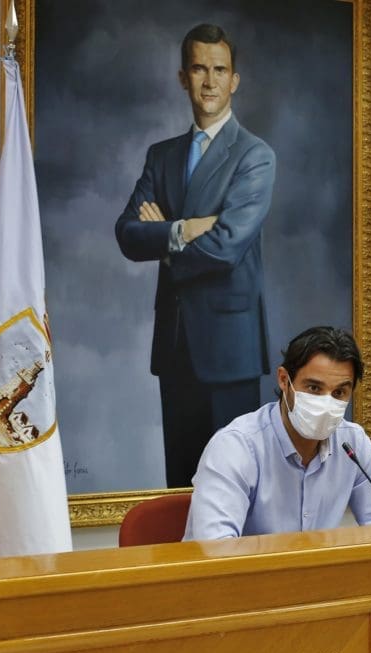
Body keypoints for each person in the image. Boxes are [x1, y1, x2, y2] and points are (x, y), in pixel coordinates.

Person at [115, 23, 275, 489]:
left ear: (234, 80)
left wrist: (164, 243)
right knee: (180, 494)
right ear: (183, 78)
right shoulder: (161, 156)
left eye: (219, 70)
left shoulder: (255, 156)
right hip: (175, 346)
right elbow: (127, 234)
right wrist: (184, 228)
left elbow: (226, 248)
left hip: (231, 351)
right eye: (199, 69)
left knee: (232, 491)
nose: (209, 81)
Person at [184, 326, 371, 540]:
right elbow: (217, 549)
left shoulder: (352, 443)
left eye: (339, 392)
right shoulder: (235, 446)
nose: (325, 403)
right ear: (284, 380)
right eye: (314, 388)